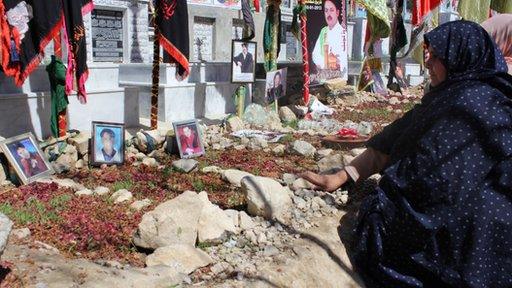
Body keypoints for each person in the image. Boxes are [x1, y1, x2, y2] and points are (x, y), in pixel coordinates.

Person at [300, 20, 512, 287]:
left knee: (380, 226)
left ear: (460, 59)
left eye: (437, 56)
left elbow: (435, 186)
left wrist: (387, 198)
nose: (428, 62)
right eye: (429, 53)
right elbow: (397, 136)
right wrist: (343, 176)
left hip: (476, 239)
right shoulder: (457, 95)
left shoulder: (468, 106)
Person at [311, 0, 348, 75]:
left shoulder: (342, 32)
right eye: (326, 11)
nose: (329, 14)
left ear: (337, 13)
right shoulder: (324, 31)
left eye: (331, 10)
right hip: (324, 74)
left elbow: (342, 58)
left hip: (337, 76)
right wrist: (324, 65)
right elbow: (315, 54)